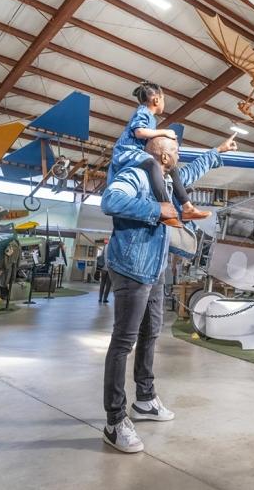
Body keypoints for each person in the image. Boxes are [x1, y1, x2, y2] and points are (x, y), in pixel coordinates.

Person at [100, 132, 237, 454]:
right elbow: (111, 200)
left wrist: (217, 150)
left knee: (150, 335)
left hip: (155, 269)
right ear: (163, 156)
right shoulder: (135, 174)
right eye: (176, 150)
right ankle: (114, 421)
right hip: (131, 266)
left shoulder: (167, 178)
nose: (180, 155)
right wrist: (157, 209)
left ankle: (145, 400)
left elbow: (192, 172)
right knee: (124, 341)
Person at [109, 81, 210, 228]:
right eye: (163, 99)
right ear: (156, 100)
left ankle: (187, 207)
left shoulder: (150, 117)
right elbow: (139, 132)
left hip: (138, 153)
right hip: (127, 152)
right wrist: (164, 132)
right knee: (152, 163)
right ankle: (165, 207)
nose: (164, 103)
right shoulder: (143, 111)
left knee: (171, 166)